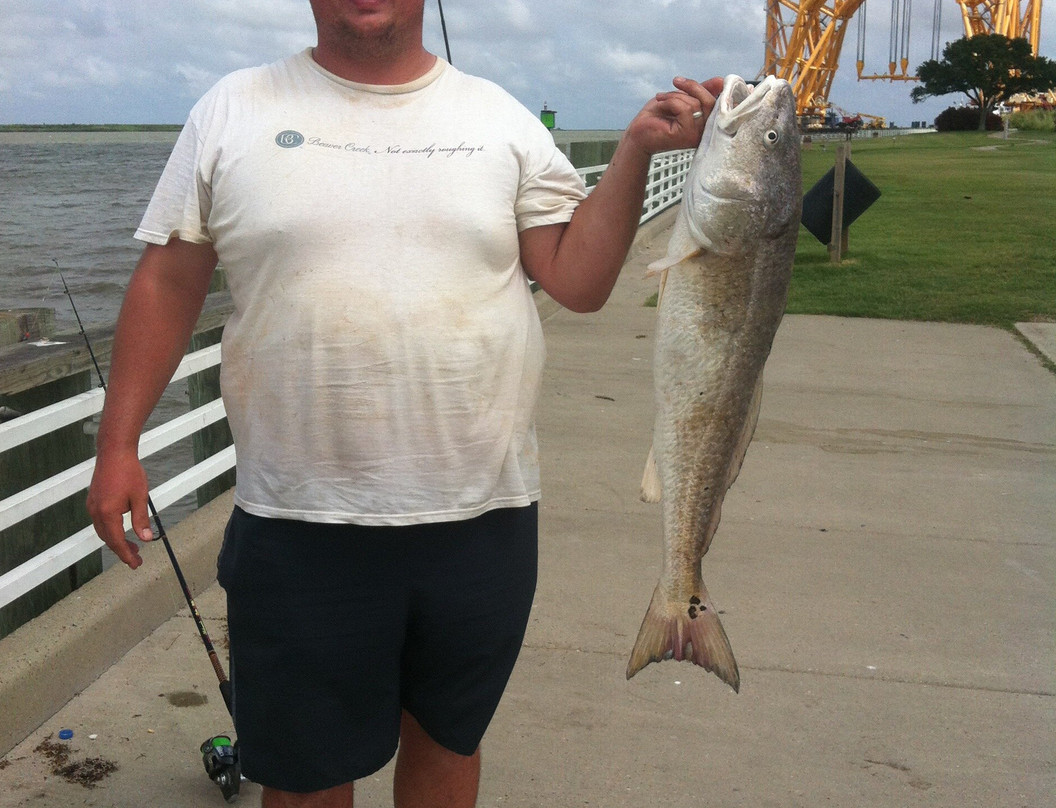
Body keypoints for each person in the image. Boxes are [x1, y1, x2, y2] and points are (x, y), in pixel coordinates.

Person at [87, 1, 722, 806]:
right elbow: (167, 282)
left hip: (482, 514)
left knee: (449, 744)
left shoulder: (499, 118)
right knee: (307, 772)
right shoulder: (231, 109)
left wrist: (635, 149)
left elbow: (578, 279)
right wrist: (118, 445)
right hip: (297, 518)